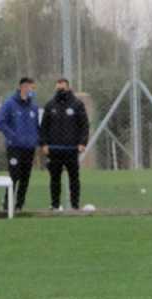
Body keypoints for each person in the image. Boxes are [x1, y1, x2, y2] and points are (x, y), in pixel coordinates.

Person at [39, 78, 90, 211]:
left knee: (74, 178)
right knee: (54, 179)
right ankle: (55, 205)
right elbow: (44, 126)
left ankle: (75, 205)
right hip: (54, 149)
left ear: (68, 88)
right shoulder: (50, 105)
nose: (60, 91)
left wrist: (82, 143)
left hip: (72, 149)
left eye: (62, 88)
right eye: (58, 88)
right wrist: (43, 144)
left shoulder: (77, 104)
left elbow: (84, 125)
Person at [0, 77, 41, 211]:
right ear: (23, 87)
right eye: (30, 88)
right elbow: (0, 122)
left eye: (33, 89)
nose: (32, 91)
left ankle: (19, 205)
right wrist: (13, 137)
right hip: (14, 147)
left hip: (29, 148)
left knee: (25, 177)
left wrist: (37, 141)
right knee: (14, 176)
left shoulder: (33, 107)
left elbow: (36, 126)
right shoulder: (9, 104)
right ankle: (6, 204)